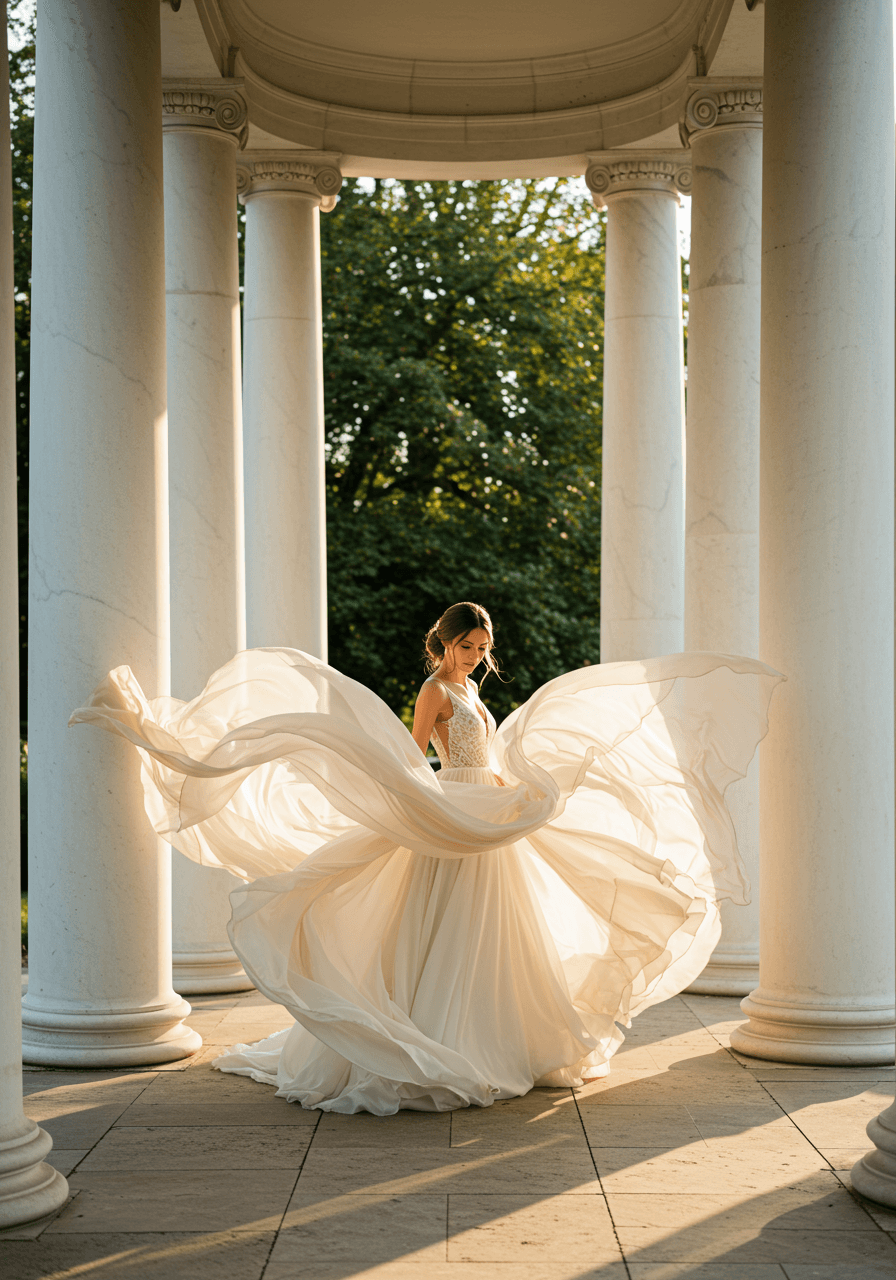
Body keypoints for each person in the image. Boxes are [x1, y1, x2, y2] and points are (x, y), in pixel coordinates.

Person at [70, 601, 782, 1114]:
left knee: (500, 926)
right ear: (442, 645)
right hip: (452, 812)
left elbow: (489, 758)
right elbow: (415, 759)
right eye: (466, 646)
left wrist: (520, 793)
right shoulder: (436, 690)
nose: (475, 657)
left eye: (481, 648)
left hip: (487, 812)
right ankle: (435, 1042)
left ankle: (503, 1041)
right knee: (445, 922)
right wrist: (422, 805)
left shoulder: (472, 690)